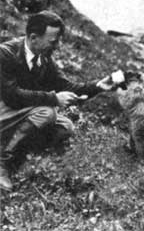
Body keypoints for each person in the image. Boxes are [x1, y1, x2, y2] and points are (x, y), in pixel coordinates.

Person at [0, 10, 115, 191]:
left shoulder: (43, 58)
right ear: (33, 37)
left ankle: (20, 156)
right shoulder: (5, 54)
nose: (57, 46)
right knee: (47, 112)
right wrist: (54, 98)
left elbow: (65, 86)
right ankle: (3, 162)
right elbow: (11, 96)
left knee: (64, 127)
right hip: (4, 111)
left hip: (22, 114)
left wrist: (98, 86)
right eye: (53, 41)